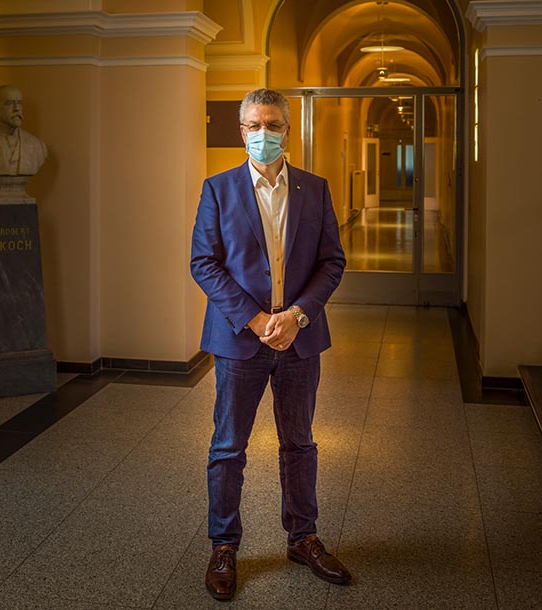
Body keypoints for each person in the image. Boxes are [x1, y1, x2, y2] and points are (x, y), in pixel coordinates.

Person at [190, 88, 351, 601]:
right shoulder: (217, 190)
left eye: (274, 124)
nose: (264, 133)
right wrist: (259, 320)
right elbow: (204, 263)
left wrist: (298, 315)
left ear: (288, 129)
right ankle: (224, 545)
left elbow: (333, 261)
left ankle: (303, 538)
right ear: (242, 132)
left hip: (299, 341)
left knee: (299, 443)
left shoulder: (315, 189)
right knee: (228, 446)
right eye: (255, 125)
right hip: (241, 340)